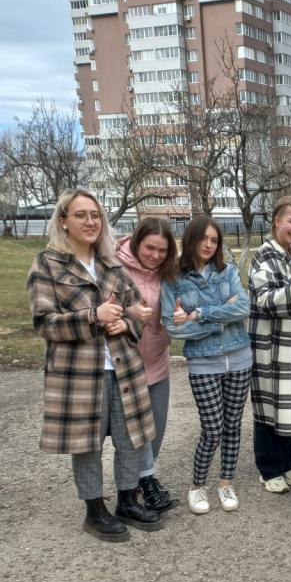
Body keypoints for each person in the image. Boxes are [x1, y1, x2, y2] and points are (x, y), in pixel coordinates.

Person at [27, 189, 159, 542]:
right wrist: (92, 317)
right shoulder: (48, 264)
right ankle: (94, 509)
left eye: (95, 215)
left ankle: (128, 500)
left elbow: (138, 310)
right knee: (87, 443)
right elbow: (44, 323)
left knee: (132, 438)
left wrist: (126, 323)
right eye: (81, 214)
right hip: (79, 374)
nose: (90, 221)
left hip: (124, 367)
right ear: (64, 221)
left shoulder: (111, 265)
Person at [160, 216, 251, 515]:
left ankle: (226, 482)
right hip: (203, 363)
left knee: (233, 426)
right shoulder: (174, 279)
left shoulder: (227, 271)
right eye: (204, 239)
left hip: (239, 356)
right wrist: (218, 322)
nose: (209, 245)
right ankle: (197, 486)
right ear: (191, 239)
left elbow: (244, 307)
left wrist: (199, 313)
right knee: (212, 429)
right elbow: (173, 328)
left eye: (214, 240)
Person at [249, 196, 291, 493]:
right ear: (277, 221)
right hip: (271, 348)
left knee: (289, 410)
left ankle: (287, 464)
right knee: (268, 410)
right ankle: (268, 468)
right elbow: (263, 299)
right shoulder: (263, 256)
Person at [116, 217, 178, 511]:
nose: (155, 255)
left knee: (157, 425)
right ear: (136, 242)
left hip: (158, 360)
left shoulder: (168, 274)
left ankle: (145, 477)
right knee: (134, 431)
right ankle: (143, 481)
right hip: (127, 363)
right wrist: (129, 313)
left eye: (162, 251)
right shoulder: (116, 267)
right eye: (149, 248)